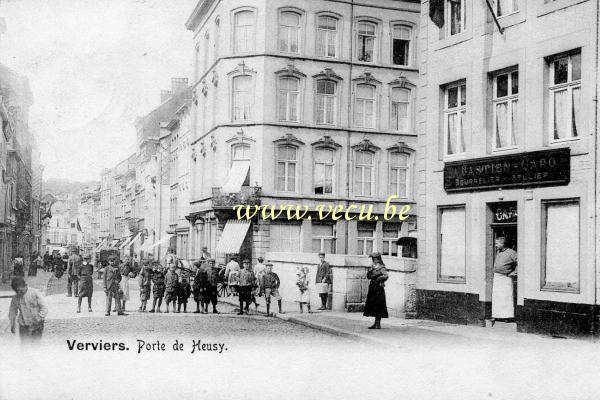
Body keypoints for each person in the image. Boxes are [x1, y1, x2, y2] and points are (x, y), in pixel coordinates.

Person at [8, 276, 48, 342]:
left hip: (37, 324)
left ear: (26, 286)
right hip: (23, 325)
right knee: (24, 346)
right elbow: (12, 311)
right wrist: (12, 324)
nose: (19, 293)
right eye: (17, 291)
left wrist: (39, 318)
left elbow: (44, 308)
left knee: (35, 345)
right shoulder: (15, 298)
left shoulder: (35, 293)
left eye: (21, 290)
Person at [491, 237, 518, 325]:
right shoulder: (498, 252)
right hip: (497, 277)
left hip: (506, 277)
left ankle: (507, 316)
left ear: (503, 244)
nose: (495, 245)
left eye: (497, 244)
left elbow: (519, 262)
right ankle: (496, 315)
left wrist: (515, 272)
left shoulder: (511, 252)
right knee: (497, 296)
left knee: (506, 297)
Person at [363, 252, 389, 329]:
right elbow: (368, 276)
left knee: (378, 305)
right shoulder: (372, 267)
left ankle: (378, 323)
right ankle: (375, 323)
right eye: (373, 259)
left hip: (378, 288)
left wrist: (379, 279)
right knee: (373, 305)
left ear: (378, 259)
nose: (374, 260)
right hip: (372, 287)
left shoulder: (382, 267)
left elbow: (386, 276)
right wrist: (370, 271)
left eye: (375, 259)